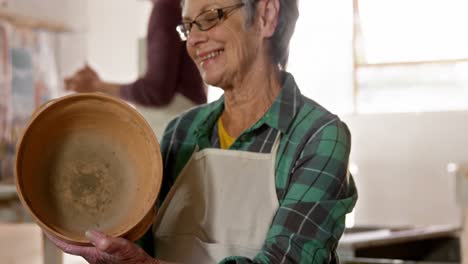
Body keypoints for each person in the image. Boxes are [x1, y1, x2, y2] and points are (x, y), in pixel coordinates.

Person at [46, 0, 358, 263]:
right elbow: (145, 245)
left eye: (210, 17)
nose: (193, 40)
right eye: (188, 27)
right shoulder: (181, 131)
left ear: (266, 17)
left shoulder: (319, 138)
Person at [65, 0, 206, 107]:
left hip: (178, 123)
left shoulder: (166, 9)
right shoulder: (178, 7)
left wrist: (98, 87)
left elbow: (157, 93)